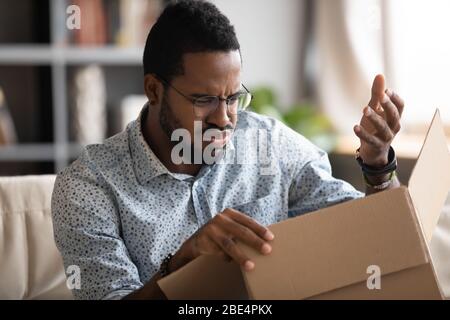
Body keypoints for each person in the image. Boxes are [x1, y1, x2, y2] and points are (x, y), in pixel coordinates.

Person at [51, 0, 404, 300]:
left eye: (233, 98)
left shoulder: (271, 146)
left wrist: (376, 165)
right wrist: (181, 266)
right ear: (154, 90)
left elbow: (372, 234)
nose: (224, 119)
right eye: (203, 100)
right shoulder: (88, 188)